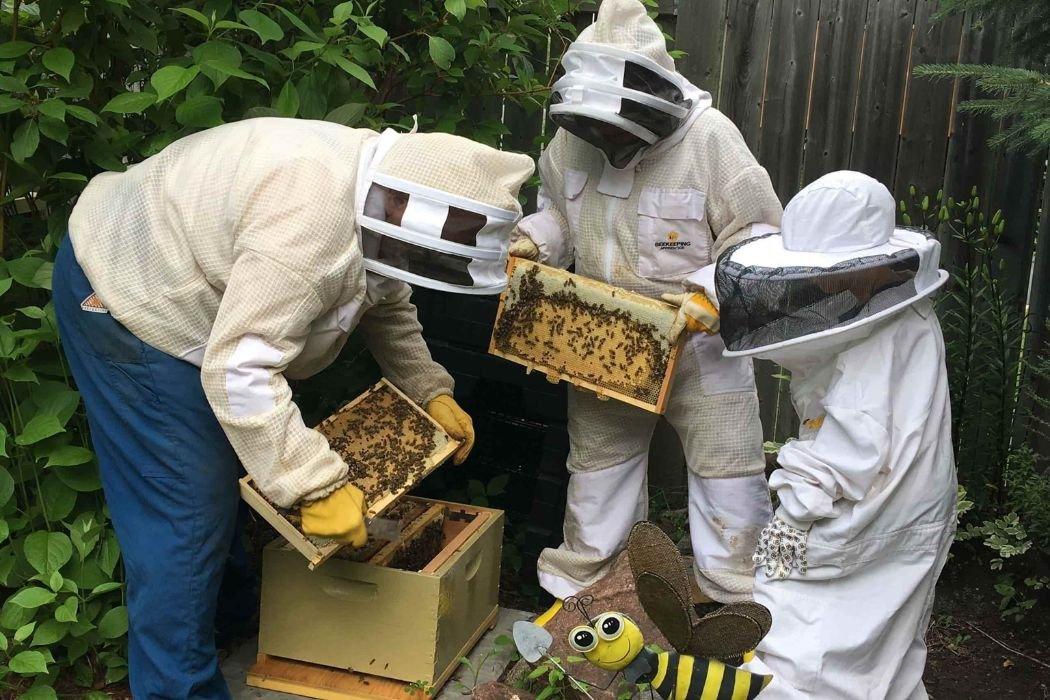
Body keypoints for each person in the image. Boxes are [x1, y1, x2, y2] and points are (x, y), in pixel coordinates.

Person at [52, 117, 534, 698]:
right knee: (183, 507)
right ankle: (176, 685)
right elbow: (238, 370)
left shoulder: (381, 207)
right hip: (130, 288)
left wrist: (426, 384)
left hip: (198, 288)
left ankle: (229, 623)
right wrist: (315, 486)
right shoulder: (305, 228)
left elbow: (387, 296)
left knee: (215, 473)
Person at [509, 0, 783, 607]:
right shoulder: (571, 142)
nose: (602, 137)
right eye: (594, 126)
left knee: (728, 475)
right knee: (598, 473)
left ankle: (736, 606)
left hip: (703, 345)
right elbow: (561, 212)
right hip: (603, 341)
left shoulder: (711, 141)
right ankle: (584, 596)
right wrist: (535, 242)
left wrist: (714, 294)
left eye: (613, 125)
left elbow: (759, 233)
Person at [714, 171, 957, 698]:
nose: (818, 285)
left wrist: (792, 520)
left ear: (869, 266)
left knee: (799, 633)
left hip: (872, 506)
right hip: (906, 504)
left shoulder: (883, 338)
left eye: (824, 272)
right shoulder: (904, 315)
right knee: (884, 646)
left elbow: (853, 450)